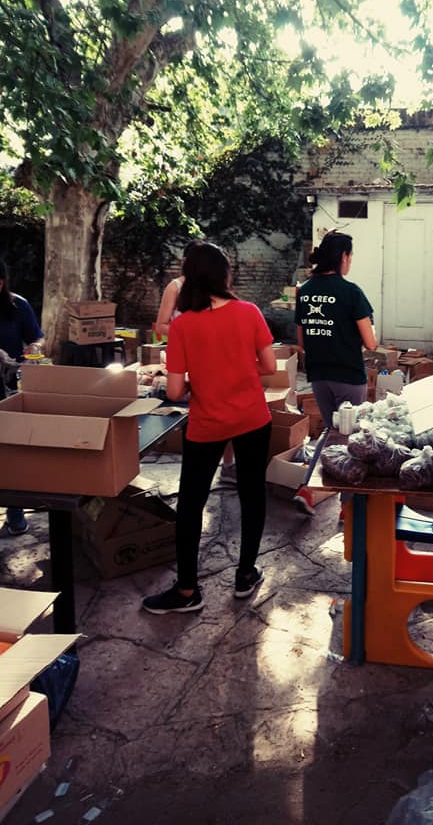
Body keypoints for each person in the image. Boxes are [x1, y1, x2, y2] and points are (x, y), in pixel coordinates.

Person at [142, 242, 276, 614]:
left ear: (189, 278)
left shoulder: (183, 325)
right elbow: (269, 367)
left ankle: (187, 591)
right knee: (252, 495)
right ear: (224, 275)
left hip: (207, 422)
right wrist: (238, 367)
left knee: (191, 502)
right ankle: (245, 575)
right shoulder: (249, 312)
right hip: (252, 418)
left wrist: (198, 379)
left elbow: (173, 391)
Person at [294, 231, 377, 515]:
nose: (350, 261)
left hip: (318, 374)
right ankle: (347, 507)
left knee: (332, 432)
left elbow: (302, 341)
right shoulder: (351, 292)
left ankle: (308, 489)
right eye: (350, 256)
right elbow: (371, 343)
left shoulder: (305, 290)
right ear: (343, 256)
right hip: (349, 375)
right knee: (352, 440)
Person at [155, 241, 236, 484]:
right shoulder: (176, 287)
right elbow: (161, 325)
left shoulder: (217, 291)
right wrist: (188, 333)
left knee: (226, 411)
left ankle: (228, 464)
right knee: (195, 413)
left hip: (214, 357)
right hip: (186, 357)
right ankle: (195, 472)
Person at [0, 259, 44, 536]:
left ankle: (16, 518)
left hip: (9, 389)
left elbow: (37, 339)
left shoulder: (18, 306)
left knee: (10, 454)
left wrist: (32, 351)